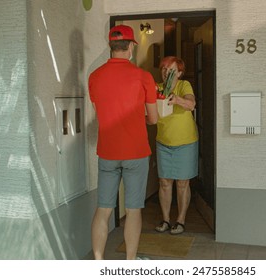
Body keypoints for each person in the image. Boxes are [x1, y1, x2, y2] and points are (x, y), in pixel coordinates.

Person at [88, 25, 158, 260]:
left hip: (107, 151)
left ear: (111, 47)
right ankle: (129, 263)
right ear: (130, 47)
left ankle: (99, 263)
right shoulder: (143, 77)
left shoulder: (94, 76)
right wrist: (143, 117)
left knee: (104, 208)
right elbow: (154, 118)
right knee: (133, 208)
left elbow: (100, 112)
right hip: (136, 152)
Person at [154, 56, 198, 235]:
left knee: (182, 183)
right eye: (164, 69)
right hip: (163, 142)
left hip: (186, 142)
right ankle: (165, 219)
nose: (166, 73)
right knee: (164, 182)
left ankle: (180, 220)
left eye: (171, 70)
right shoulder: (157, 87)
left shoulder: (184, 85)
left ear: (179, 73)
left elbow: (191, 104)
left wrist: (177, 100)